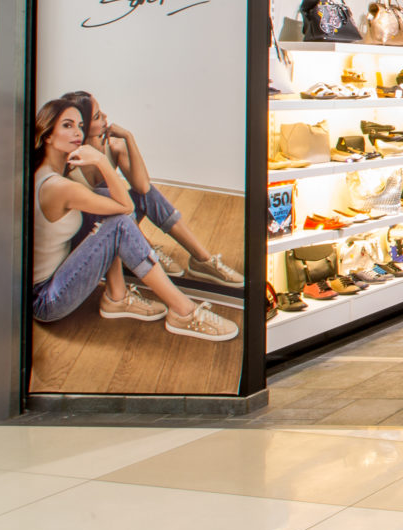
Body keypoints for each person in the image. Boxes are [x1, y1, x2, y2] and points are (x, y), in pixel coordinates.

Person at [29, 97, 237, 342]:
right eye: (67, 125)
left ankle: (119, 296)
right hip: (47, 298)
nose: (77, 132)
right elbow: (125, 207)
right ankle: (184, 311)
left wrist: (120, 144)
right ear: (47, 135)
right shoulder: (58, 186)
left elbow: (139, 189)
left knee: (107, 201)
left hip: (59, 273)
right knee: (118, 222)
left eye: (80, 125)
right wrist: (100, 160)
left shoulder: (55, 172)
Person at [58, 91, 244, 287]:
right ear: (82, 125)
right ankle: (147, 250)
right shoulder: (67, 158)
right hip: (90, 233)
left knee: (147, 194)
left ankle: (202, 259)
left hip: (119, 218)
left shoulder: (112, 146)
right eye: (97, 116)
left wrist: (129, 138)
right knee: (105, 193)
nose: (105, 117)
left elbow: (143, 187)